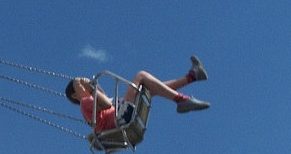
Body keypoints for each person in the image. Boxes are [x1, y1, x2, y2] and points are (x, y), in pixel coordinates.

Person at [65, 56, 210, 133]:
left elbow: (103, 97)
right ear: (75, 95)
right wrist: (78, 84)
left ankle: (192, 77)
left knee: (150, 88)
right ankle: (181, 100)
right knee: (141, 76)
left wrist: (91, 85)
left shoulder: (92, 101)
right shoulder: (85, 102)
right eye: (79, 88)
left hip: (122, 113)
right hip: (120, 118)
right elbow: (108, 104)